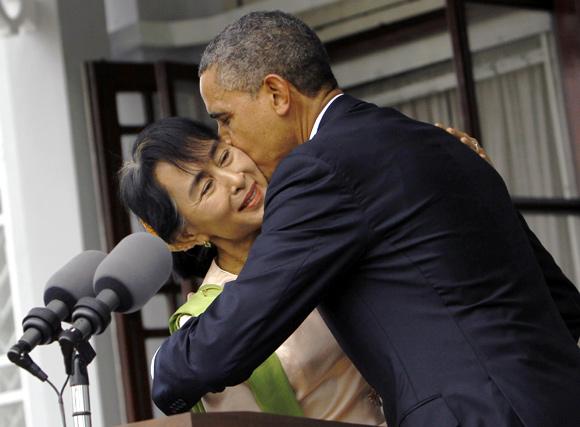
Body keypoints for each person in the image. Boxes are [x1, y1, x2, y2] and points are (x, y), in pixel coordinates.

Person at [150, 11, 580, 427]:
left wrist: (163, 368)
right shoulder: (441, 142)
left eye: (225, 119)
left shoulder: (317, 170)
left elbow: (236, 334)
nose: (228, 138)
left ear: (277, 94)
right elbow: (563, 304)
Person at [119, 117, 386, 424]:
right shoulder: (205, 327)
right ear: (185, 236)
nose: (235, 179)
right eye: (206, 187)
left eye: (223, 157)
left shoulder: (322, 219)